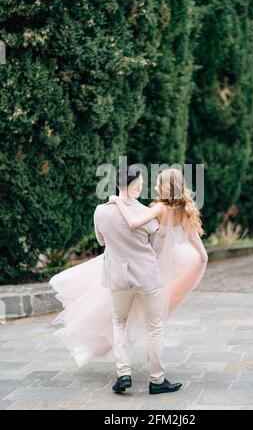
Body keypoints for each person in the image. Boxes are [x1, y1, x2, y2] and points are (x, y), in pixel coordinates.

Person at [50, 166, 208, 395]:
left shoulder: (100, 211)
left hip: (117, 277)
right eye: (142, 183)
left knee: (119, 322)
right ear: (135, 187)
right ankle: (157, 379)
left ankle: (123, 374)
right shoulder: (150, 212)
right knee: (155, 329)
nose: (146, 187)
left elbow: (102, 242)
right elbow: (157, 245)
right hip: (147, 277)